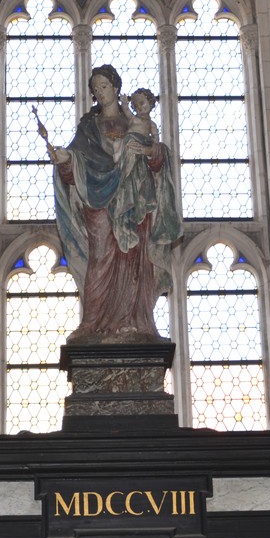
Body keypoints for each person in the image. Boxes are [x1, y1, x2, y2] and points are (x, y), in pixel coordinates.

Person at [42, 65, 182, 342]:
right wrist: (65, 160)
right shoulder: (88, 126)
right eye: (95, 88)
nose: (100, 92)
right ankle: (92, 324)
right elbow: (77, 160)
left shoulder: (134, 121)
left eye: (104, 86)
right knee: (101, 258)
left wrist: (148, 151)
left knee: (134, 262)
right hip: (98, 201)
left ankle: (137, 323)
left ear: (116, 88)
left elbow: (158, 154)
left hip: (134, 200)